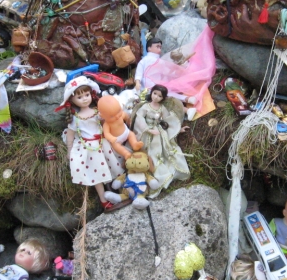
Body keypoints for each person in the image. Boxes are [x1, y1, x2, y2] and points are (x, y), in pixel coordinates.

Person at [55, 76, 124, 209]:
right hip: (89, 148)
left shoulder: (97, 112)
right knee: (97, 175)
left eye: (87, 95)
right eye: (79, 97)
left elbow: (106, 125)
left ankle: (123, 192)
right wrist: (69, 150)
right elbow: (70, 134)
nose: (85, 99)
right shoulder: (76, 119)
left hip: (103, 143)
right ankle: (104, 200)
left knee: (114, 167)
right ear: (72, 100)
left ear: (91, 94)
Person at [133, 85, 190, 192]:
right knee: (148, 152)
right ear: (151, 93)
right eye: (155, 93)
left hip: (159, 132)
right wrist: (148, 130)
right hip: (146, 132)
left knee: (161, 150)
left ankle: (162, 171)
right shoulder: (145, 107)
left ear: (163, 98)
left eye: (159, 96)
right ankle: (148, 171)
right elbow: (139, 118)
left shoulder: (162, 108)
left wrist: (178, 129)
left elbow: (168, 120)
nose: (156, 97)